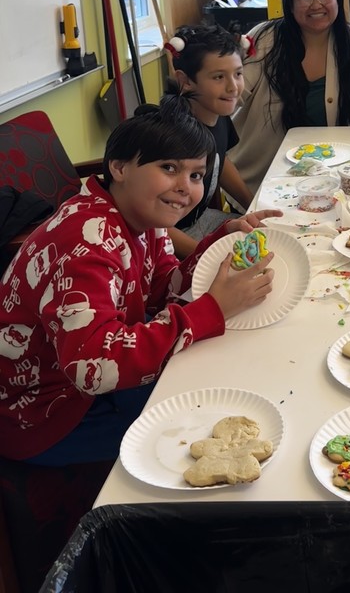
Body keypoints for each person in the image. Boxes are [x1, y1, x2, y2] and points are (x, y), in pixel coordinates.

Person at [0, 96, 281, 591]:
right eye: (169, 167)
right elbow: (95, 367)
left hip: (83, 384)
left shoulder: (139, 219)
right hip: (44, 413)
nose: (186, 188)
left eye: (196, 174)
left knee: (216, 388)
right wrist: (211, 310)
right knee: (197, 437)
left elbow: (159, 288)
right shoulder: (84, 244)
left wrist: (216, 254)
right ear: (119, 167)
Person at [230, 0, 350, 192]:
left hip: (330, 175)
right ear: (290, 2)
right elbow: (235, 96)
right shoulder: (265, 39)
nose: (316, 4)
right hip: (263, 176)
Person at [163, 22, 254, 258]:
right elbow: (154, 227)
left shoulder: (217, 113)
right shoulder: (173, 136)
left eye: (238, 74)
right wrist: (205, 257)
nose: (233, 87)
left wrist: (252, 203)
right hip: (169, 241)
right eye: (218, 77)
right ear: (185, 80)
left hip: (202, 219)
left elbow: (219, 162)